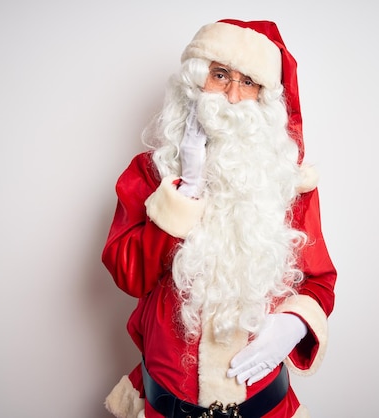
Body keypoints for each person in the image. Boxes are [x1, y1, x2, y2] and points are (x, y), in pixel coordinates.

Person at [102, 19, 337, 418]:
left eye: (248, 82)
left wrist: (294, 325)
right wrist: (187, 189)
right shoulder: (149, 172)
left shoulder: (287, 184)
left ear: (264, 97)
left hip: (265, 408)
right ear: (195, 82)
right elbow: (129, 276)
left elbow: (319, 281)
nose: (231, 96)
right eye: (221, 75)